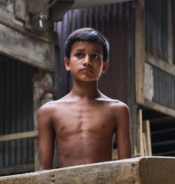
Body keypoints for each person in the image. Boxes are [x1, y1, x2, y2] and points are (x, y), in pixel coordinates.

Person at [37, 27, 132, 170]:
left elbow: (127, 167)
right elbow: (44, 169)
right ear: (67, 63)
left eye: (95, 56)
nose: (87, 61)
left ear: (105, 66)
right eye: (80, 55)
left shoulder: (118, 110)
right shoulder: (49, 112)